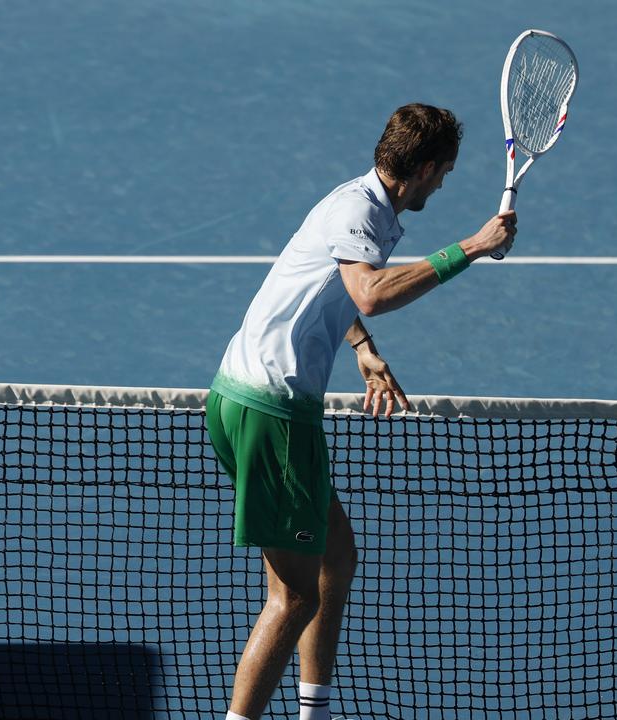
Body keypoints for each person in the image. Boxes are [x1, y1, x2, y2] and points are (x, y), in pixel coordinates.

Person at [204, 103, 516, 720]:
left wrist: (362, 351)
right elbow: (369, 294)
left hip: (253, 397)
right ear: (425, 168)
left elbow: (326, 288)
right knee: (292, 597)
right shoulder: (358, 211)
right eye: (445, 173)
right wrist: (473, 247)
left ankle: (313, 713)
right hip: (273, 409)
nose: (444, 184)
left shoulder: (365, 203)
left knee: (336, 560)